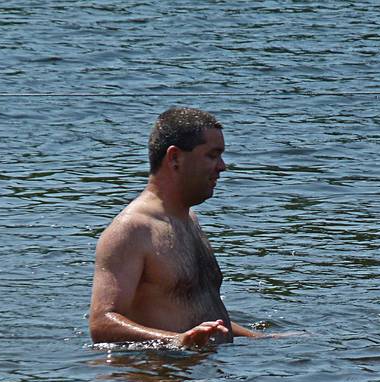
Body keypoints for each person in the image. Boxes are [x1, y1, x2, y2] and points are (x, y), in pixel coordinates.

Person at [89, 107, 257, 348]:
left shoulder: (189, 219)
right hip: (160, 379)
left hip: (204, 375)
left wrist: (265, 340)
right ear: (175, 157)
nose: (222, 166)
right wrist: (177, 341)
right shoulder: (132, 230)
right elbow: (102, 323)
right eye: (212, 155)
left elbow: (201, 316)